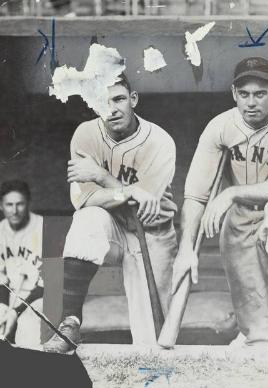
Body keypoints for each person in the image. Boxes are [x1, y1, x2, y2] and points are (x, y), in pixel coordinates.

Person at [172, 57, 268, 353]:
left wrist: (231, 194)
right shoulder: (220, 127)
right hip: (241, 222)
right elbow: (196, 195)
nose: (251, 102)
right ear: (233, 93)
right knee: (261, 338)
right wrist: (186, 249)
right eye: (244, 94)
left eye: (260, 93)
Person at [43, 74, 178, 353]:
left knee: (152, 342)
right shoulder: (85, 134)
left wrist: (103, 177)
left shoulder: (160, 141)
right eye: (102, 102)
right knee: (87, 219)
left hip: (152, 233)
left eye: (118, 99)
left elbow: (143, 208)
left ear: (133, 99)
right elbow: (87, 200)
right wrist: (126, 191)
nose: (112, 109)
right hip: (112, 226)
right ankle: (70, 322)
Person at [0, 180, 44, 347]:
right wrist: (4, 307)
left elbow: (50, 284)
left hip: (41, 298)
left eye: (20, 204)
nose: (15, 210)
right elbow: (1, 279)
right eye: (9, 205)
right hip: (11, 296)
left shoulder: (45, 228)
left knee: (27, 327)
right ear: (1, 206)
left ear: (28, 204)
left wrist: (16, 312)